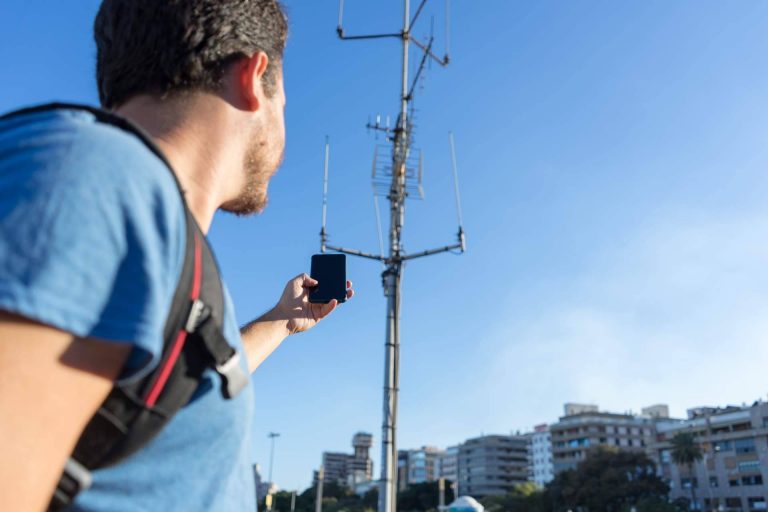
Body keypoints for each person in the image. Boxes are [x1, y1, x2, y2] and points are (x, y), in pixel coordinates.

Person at [0, 1, 353, 510]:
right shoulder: (93, 178)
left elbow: (182, 391)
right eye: (286, 102)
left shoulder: (140, 217)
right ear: (254, 78)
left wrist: (281, 321)